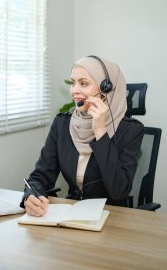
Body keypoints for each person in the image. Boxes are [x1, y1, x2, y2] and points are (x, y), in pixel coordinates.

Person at [21, 55, 144, 217]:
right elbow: (40, 176)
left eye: (84, 83)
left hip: (112, 218)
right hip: (72, 216)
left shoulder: (130, 131)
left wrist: (100, 131)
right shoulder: (62, 125)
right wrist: (31, 196)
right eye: (73, 83)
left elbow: (119, 191)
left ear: (106, 89)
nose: (74, 90)